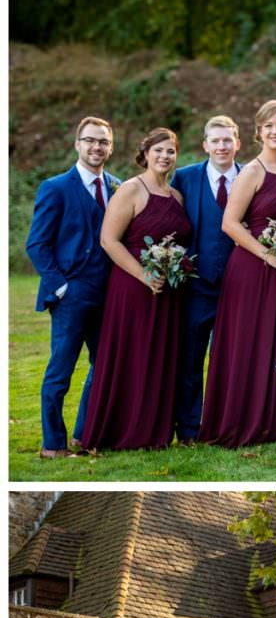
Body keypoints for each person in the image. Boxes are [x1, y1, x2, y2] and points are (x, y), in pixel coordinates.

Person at [201, 99, 276, 445]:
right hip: (252, 269)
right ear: (258, 132)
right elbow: (230, 224)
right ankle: (239, 420)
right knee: (249, 343)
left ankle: (273, 421)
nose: (275, 131)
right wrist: (268, 255)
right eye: (269, 126)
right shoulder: (251, 171)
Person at [82, 128, 193, 451]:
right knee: (132, 356)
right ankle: (119, 431)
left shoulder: (177, 197)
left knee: (159, 357)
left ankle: (152, 433)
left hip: (168, 293)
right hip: (133, 289)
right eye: (158, 150)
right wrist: (144, 275)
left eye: (170, 151)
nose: (164, 156)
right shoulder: (131, 189)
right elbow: (109, 240)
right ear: (145, 154)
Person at [26, 114, 117, 456]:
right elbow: (37, 244)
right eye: (91, 140)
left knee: (103, 366)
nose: (97, 147)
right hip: (71, 295)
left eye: (103, 141)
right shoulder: (55, 187)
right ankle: (52, 443)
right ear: (77, 144)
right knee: (60, 372)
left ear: (111, 147)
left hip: (108, 294)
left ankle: (84, 434)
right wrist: (61, 287)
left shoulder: (118, 186)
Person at [175, 114, 240, 440]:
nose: (221, 146)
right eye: (215, 140)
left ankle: (223, 424)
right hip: (196, 287)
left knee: (230, 360)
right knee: (190, 360)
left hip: (239, 287)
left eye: (227, 140)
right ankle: (188, 428)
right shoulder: (183, 179)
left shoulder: (250, 177)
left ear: (237, 144)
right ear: (204, 145)